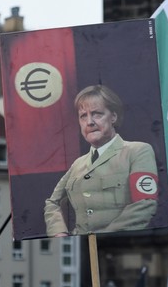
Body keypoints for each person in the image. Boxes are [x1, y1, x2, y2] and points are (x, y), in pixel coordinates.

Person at [44, 84, 159, 236]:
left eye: (97, 114)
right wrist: (59, 233)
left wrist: (104, 237)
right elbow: (52, 202)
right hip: (83, 247)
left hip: (118, 246)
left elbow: (144, 204)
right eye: (83, 116)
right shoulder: (78, 164)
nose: (89, 122)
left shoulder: (137, 151)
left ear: (113, 117)